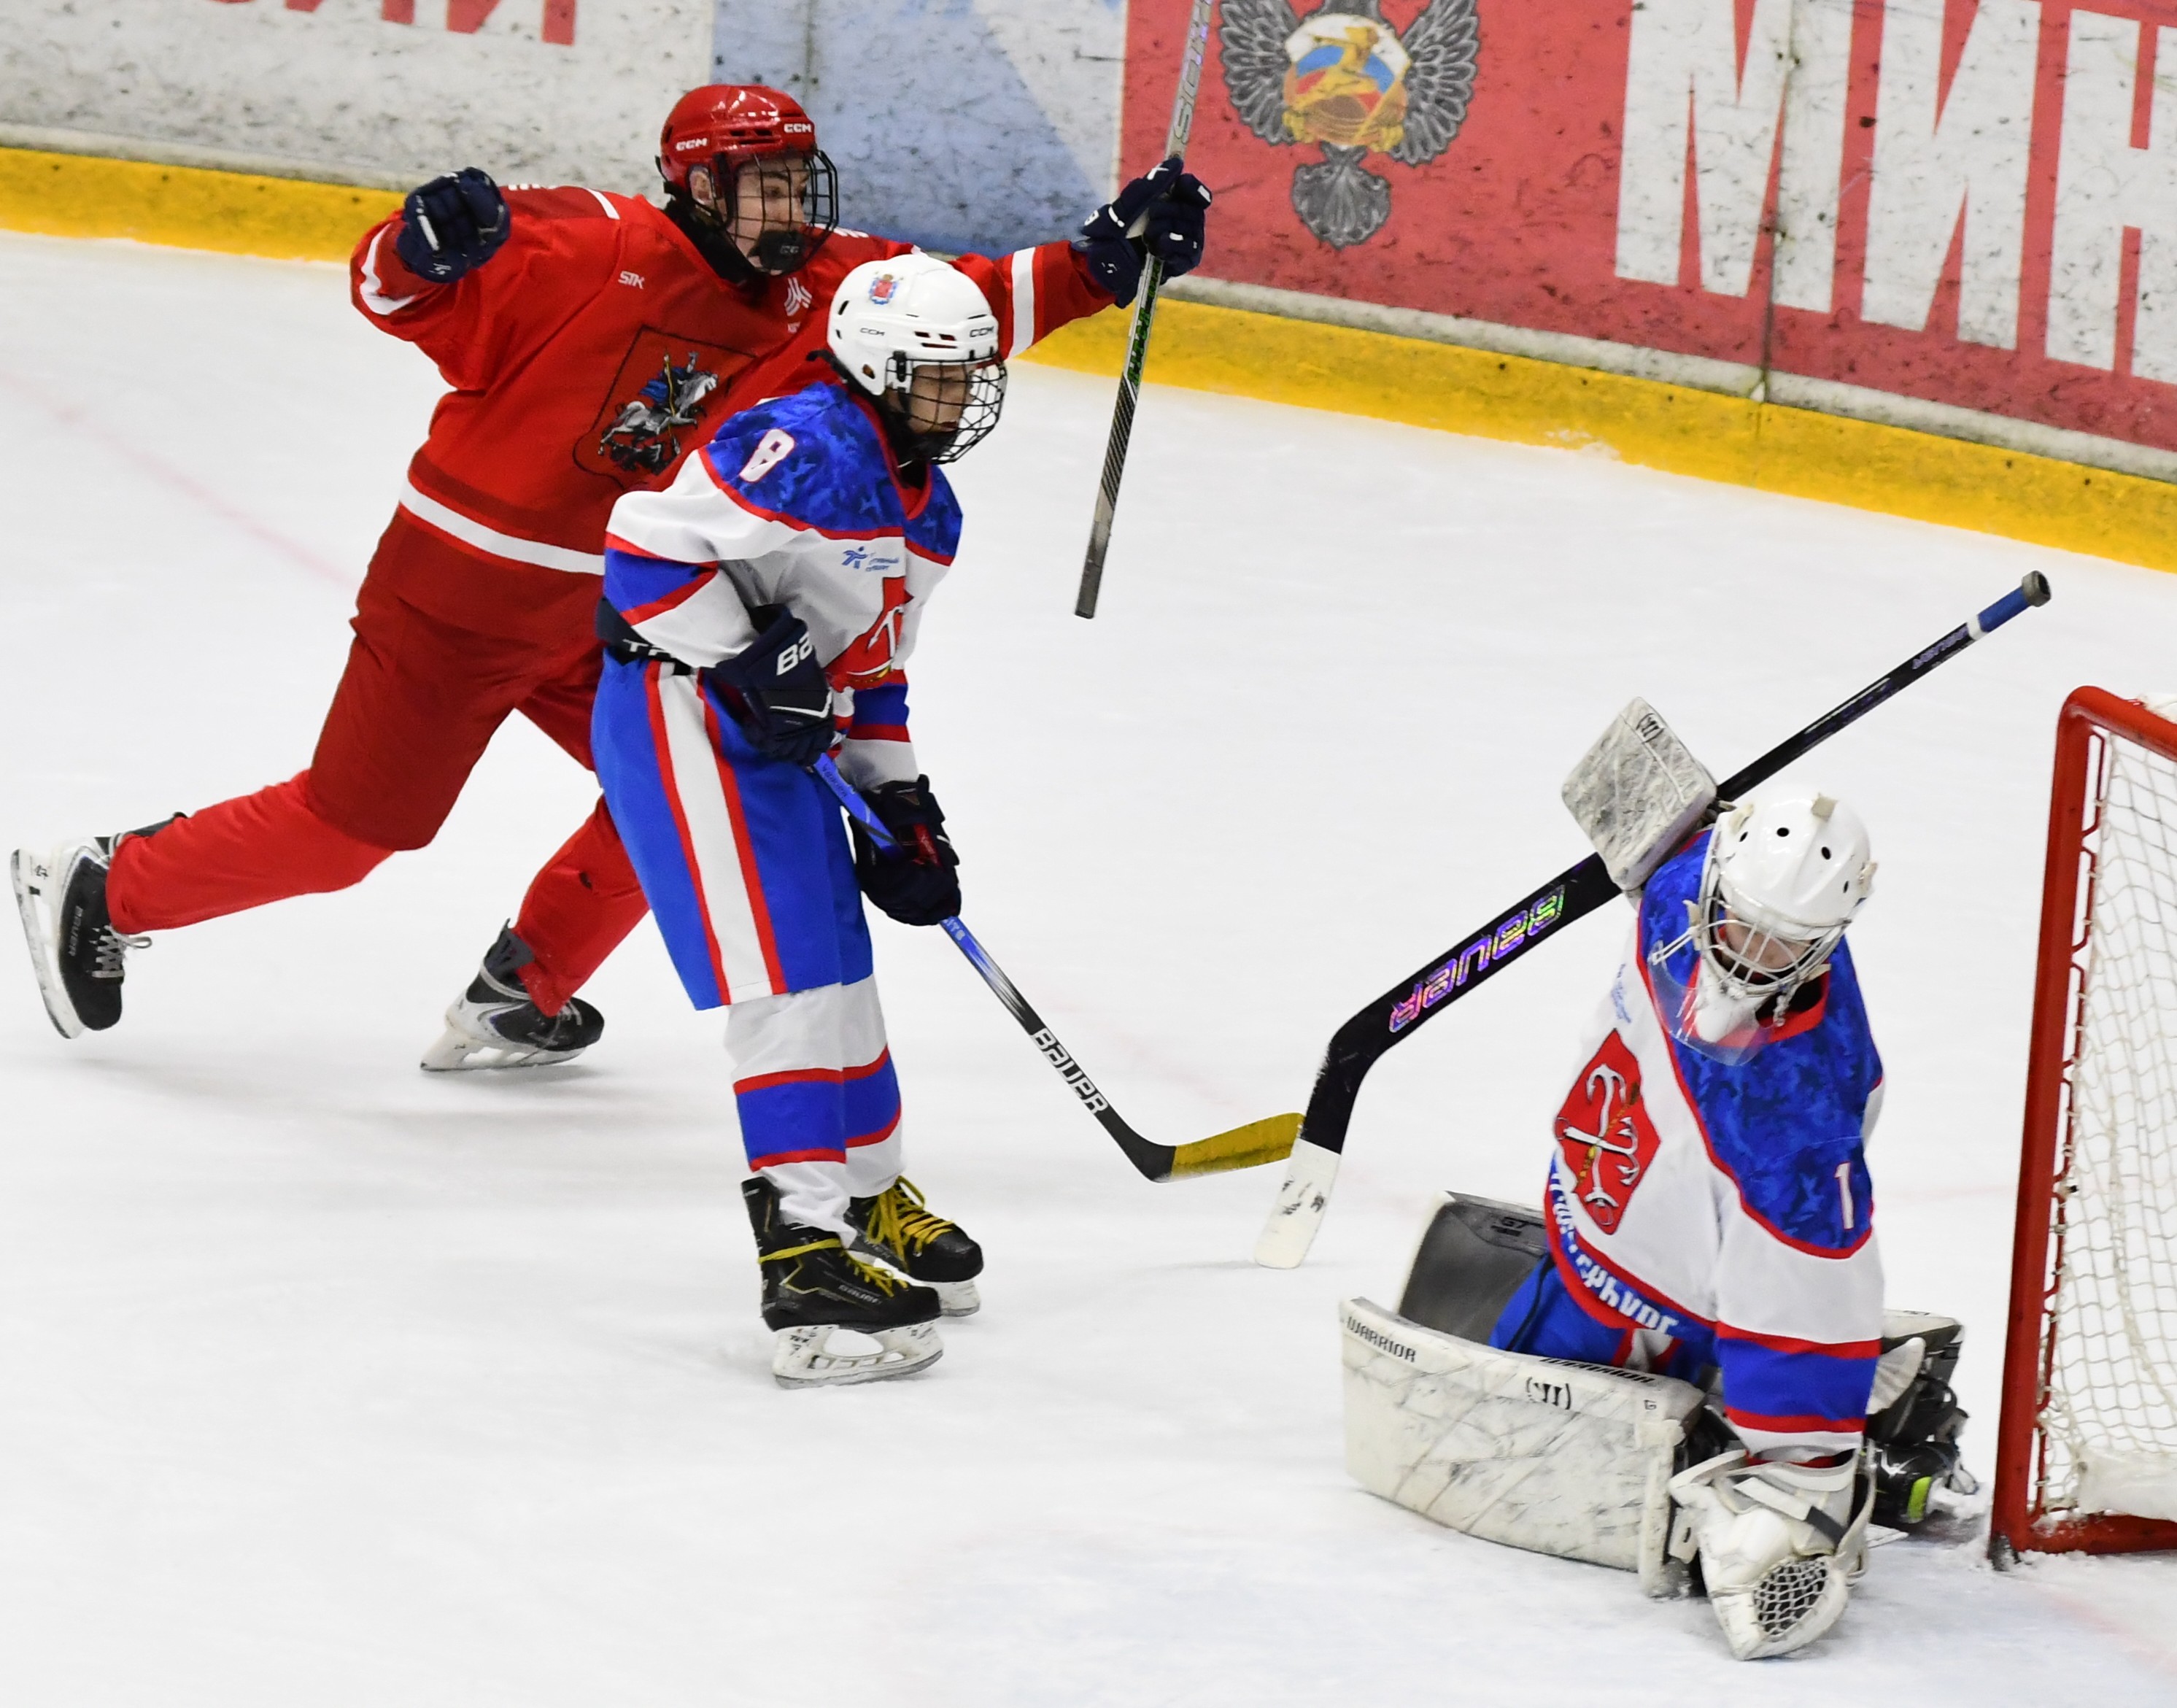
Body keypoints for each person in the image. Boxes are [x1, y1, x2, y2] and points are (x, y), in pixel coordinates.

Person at [10, 87, 1211, 1068]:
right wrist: (419, 245)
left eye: (801, 184)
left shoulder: (825, 284)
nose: (792, 211)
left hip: (621, 607)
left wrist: (1109, 256)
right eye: (764, 189)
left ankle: (519, 990)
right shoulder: (581, 245)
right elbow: (391, 291)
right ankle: (110, 887)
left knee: (689, 792)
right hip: (457, 595)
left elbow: (967, 309)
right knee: (354, 831)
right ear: (695, 187)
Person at [589, 252, 1010, 1386]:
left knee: (841, 968)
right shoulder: (799, 445)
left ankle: (874, 1201)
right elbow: (640, 553)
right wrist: (747, 654)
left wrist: (901, 803)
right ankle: (806, 1260)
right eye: (938, 376)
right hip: (679, 715)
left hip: (786, 735)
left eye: (972, 377)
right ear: (875, 367)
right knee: (785, 982)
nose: (961, 398)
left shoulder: (932, 513)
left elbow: (870, 672)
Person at [1488, 789, 1885, 1658]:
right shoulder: (1678, 882)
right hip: (1587, 1240)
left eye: (1781, 942)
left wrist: (1795, 1498)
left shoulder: (1797, 1134)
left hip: (1669, 1315)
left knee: (1516, 1454)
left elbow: (1811, 1312)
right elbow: (1624, 779)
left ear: (1829, 937)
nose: (1746, 956)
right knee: (1504, 1398)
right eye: (1739, 922)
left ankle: (1876, 1396)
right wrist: (1646, 791)